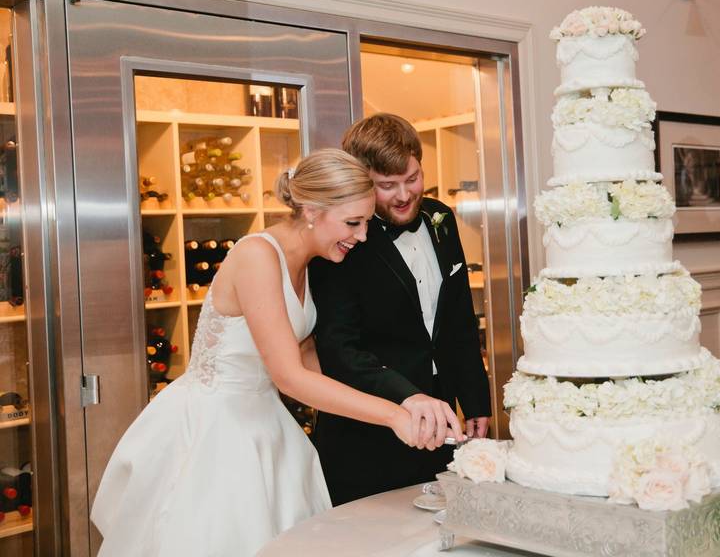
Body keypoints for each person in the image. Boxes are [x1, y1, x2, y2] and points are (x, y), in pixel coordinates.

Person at [91, 148, 463, 556]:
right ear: (310, 211)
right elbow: (290, 376)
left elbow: (312, 364)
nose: (361, 235)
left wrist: (401, 405)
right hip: (216, 427)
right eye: (352, 223)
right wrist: (393, 415)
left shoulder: (312, 263)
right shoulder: (256, 256)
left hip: (266, 422)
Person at [310, 113, 492, 505]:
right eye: (387, 186)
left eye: (412, 178)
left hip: (440, 419)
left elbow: (458, 319)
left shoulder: (441, 219)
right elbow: (338, 348)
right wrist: (405, 397)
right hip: (366, 428)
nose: (405, 195)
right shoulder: (344, 238)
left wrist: (475, 398)